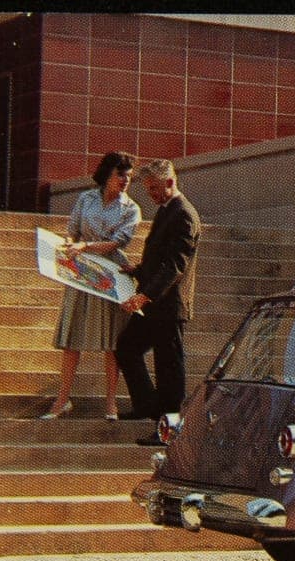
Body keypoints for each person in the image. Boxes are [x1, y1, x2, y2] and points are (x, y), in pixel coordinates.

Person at [42, 151, 142, 420]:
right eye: (120, 174)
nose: (124, 180)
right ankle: (62, 400)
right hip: (81, 271)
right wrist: (67, 244)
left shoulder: (131, 209)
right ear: (107, 174)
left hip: (111, 273)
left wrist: (85, 245)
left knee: (112, 340)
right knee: (73, 336)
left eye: (129, 177)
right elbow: (72, 229)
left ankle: (111, 403)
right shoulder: (86, 198)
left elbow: (118, 243)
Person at [116, 159, 201, 445]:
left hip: (168, 305)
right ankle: (147, 406)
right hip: (153, 302)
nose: (150, 195)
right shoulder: (166, 210)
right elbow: (158, 260)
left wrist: (145, 294)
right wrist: (137, 271)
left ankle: (170, 427)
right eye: (147, 189)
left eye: (153, 189)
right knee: (126, 348)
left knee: (169, 367)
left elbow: (175, 265)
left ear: (169, 182)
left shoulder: (184, 214)